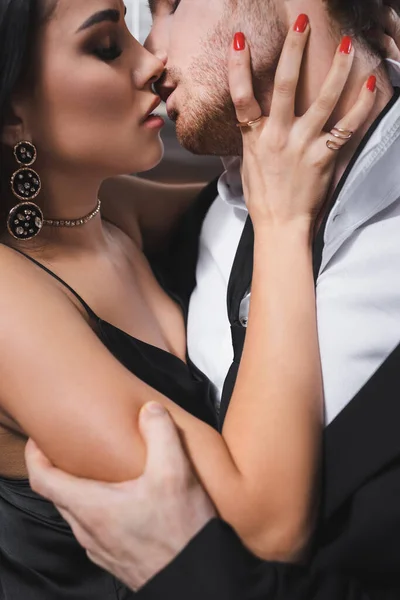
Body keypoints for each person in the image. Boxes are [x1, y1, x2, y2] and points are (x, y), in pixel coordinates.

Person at [26, 1, 400, 599]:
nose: (152, 54)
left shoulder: (126, 218)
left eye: (169, 6)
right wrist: (280, 221)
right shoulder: (212, 218)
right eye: (108, 44)